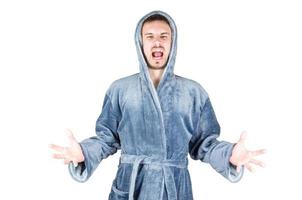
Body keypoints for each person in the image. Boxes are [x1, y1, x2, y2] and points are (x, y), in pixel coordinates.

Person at [49, 10, 266, 200]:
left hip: (174, 187)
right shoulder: (120, 89)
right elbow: (107, 139)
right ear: (140, 42)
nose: (157, 42)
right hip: (131, 186)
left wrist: (230, 155)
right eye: (150, 36)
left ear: (173, 42)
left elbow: (204, 144)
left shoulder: (193, 92)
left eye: (164, 36)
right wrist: (84, 153)